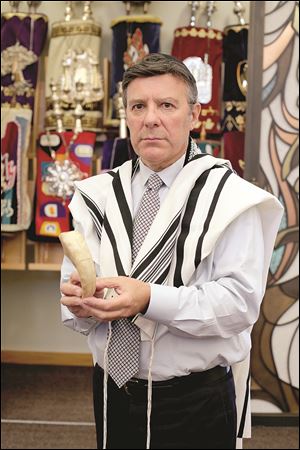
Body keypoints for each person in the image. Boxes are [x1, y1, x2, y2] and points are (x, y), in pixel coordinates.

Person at [60, 53, 283, 450]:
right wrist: (77, 303)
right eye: (138, 106)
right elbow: (74, 281)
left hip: (194, 399)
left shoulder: (230, 198)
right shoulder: (95, 195)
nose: (151, 118)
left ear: (194, 114)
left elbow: (239, 304)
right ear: (125, 115)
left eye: (167, 105)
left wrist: (148, 299)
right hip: (112, 388)